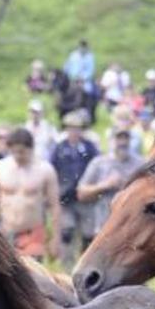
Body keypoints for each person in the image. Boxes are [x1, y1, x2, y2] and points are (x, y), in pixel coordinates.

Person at [0, 127, 61, 262]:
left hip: (32, 233)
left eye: (22, 152)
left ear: (31, 148)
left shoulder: (45, 170)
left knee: (32, 276)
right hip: (5, 231)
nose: (18, 155)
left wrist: (56, 239)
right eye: (14, 151)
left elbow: (55, 206)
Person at [76, 129, 142, 248]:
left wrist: (130, 186)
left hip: (132, 230)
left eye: (126, 138)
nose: (122, 142)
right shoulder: (99, 163)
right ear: (111, 141)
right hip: (103, 227)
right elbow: (81, 193)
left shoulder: (140, 164)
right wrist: (105, 185)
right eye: (119, 138)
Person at [50, 111, 99, 266]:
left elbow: (97, 166)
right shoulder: (59, 148)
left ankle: (85, 263)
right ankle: (67, 264)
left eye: (77, 128)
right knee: (67, 231)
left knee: (88, 234)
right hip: (66, 197)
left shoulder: (89, 147)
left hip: (85, 197)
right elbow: (52, 169)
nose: (74, 131)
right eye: (71, 128)